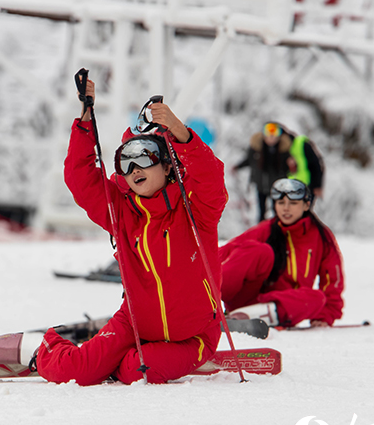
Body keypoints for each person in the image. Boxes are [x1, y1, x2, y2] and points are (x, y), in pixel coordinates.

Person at [33, 78, 228, 385]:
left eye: (146, 156)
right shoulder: (121, 211)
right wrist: (86, 117)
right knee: (77, 372)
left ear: (166, 166)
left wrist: (179, 131)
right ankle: (43, 349)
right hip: (135, 324)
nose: (135, 167)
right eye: (126, 160)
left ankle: (130, 359)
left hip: (193, 336)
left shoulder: (196, 209)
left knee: (137, 370)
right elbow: (80, 177)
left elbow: (211, 177)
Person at [218, 178, 344, 328]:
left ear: (306, 205)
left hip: (286, 307)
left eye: (293, 203)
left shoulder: (321, 237)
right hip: (247, 300)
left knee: (317, 298)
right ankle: (208, 303)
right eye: (280, 203)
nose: (286, 208)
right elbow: (221, 255)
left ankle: (259, 315)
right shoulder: (265, 230)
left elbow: (332, 280)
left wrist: (326, 316)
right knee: (258, 250)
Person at [233, 122, 292, 223]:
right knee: (261, 212)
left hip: (278, 187)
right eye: (269, 135)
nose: (271, 138)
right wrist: (237, 167)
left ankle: (278, 232)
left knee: (278, 211)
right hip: (260, 185)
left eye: (275, 135)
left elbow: (290, 167)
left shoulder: (284, 150)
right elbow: (248, 160)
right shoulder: (257, 148)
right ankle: (262, 233)